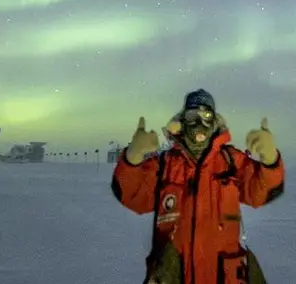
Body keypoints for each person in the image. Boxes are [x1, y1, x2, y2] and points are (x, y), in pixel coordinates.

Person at [111, 89, 284, 284]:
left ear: (215, 120)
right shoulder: (164, 165)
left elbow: (262, 191)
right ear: (183, 120)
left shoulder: (231, 162)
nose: (199, 123)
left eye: (206, 116)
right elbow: (131, 194)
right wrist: (132, 158)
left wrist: (270, 160)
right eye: (192, 116)